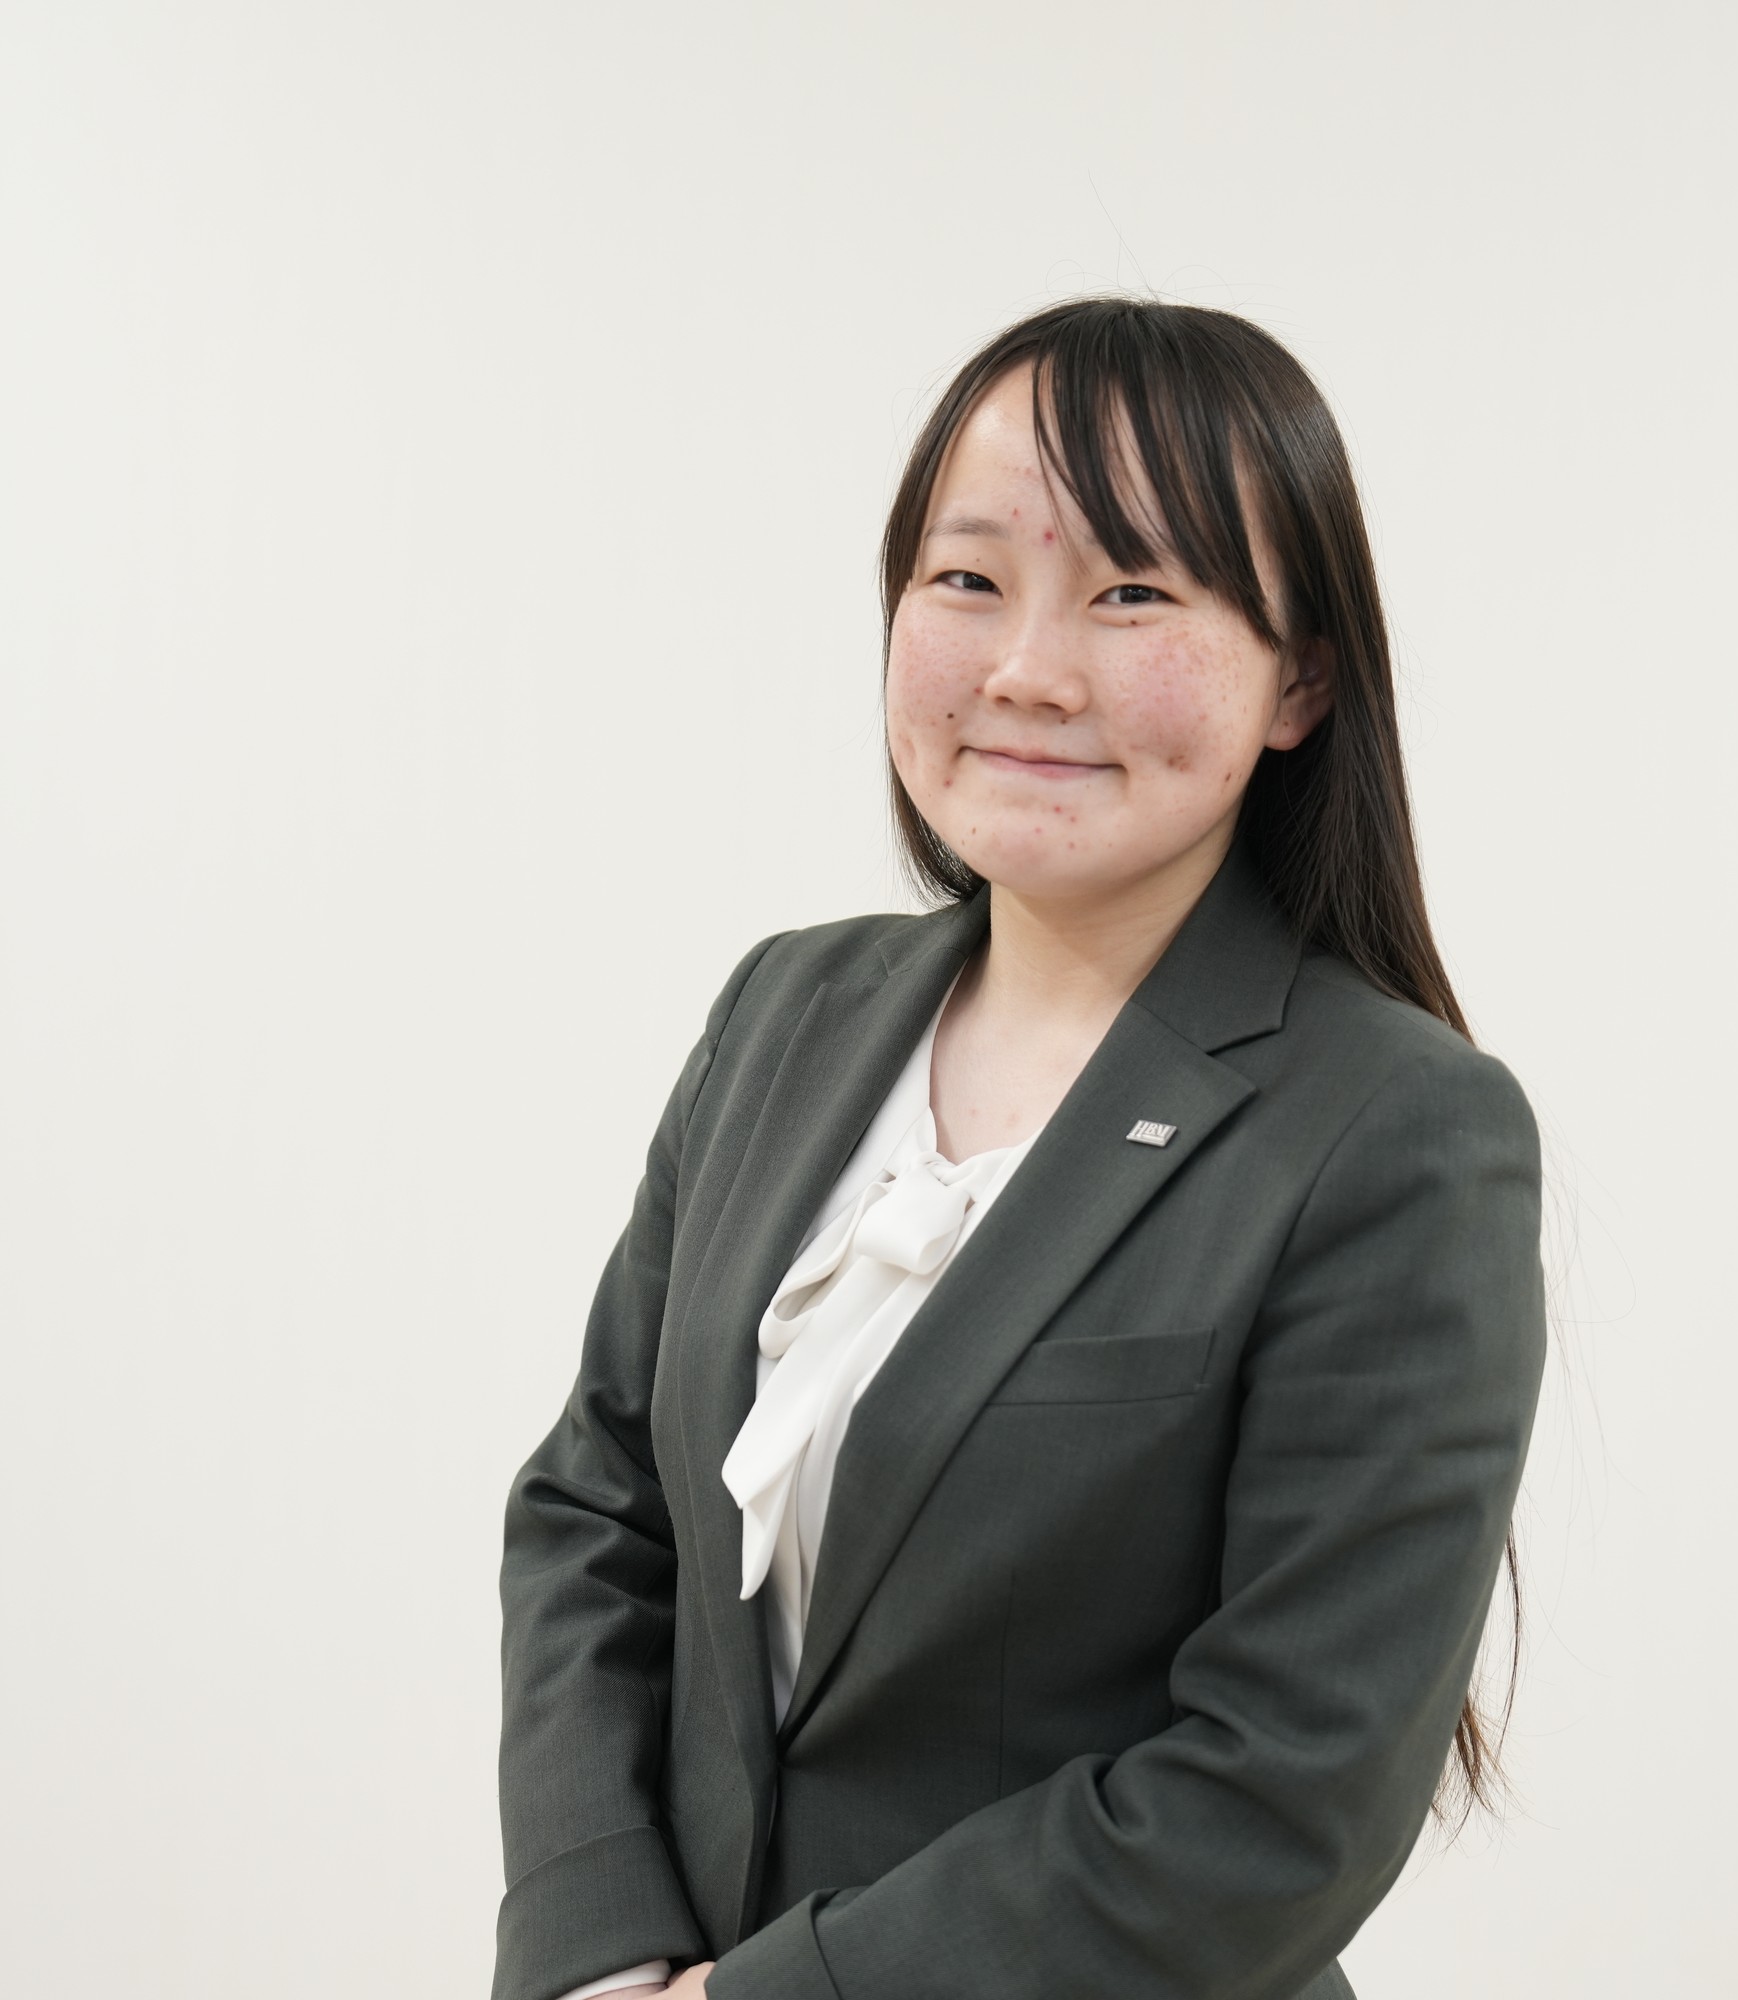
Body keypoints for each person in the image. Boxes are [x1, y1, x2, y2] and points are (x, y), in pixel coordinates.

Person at [492, 296, 1547, 2000]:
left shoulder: (1399, 1132)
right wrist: (600, 1950)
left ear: (1302, 677)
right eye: (967, 578)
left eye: (1135, 594)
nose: (1028, 670)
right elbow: (596, 1506)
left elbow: (1282, 1800)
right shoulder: (785, 1012)